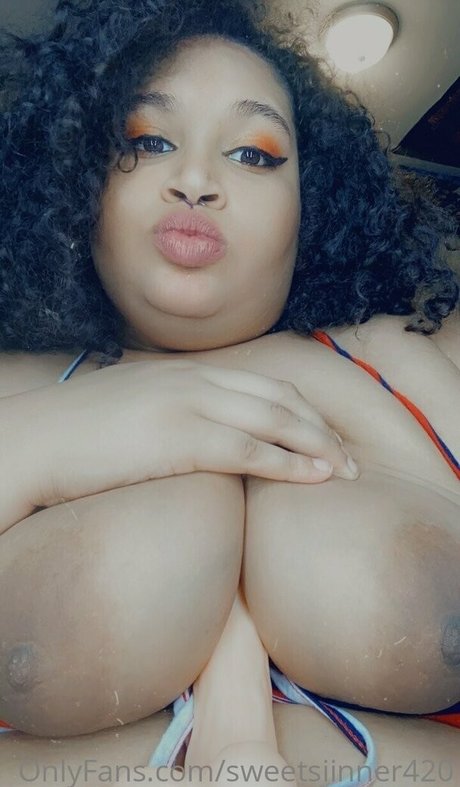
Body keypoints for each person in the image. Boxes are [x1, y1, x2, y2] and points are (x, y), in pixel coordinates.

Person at [0, 0, 459, 784]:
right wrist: (41, 443)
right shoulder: (16, 385)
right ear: (76, 178)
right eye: (148, 140)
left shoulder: (417, 356)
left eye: (254, 153)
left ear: (313, 206)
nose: (195, 180)